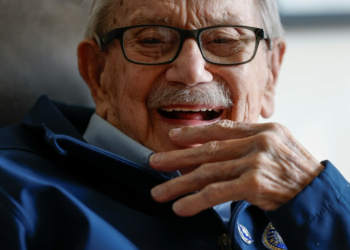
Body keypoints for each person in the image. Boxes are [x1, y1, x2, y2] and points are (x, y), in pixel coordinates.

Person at [0, 0, 349, 249]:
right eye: (151, 39)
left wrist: (316, 202)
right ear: (97, 73)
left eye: (225, 40)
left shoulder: (306, 196)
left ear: (270, 75)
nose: (191, 72)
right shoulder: (11, 191)